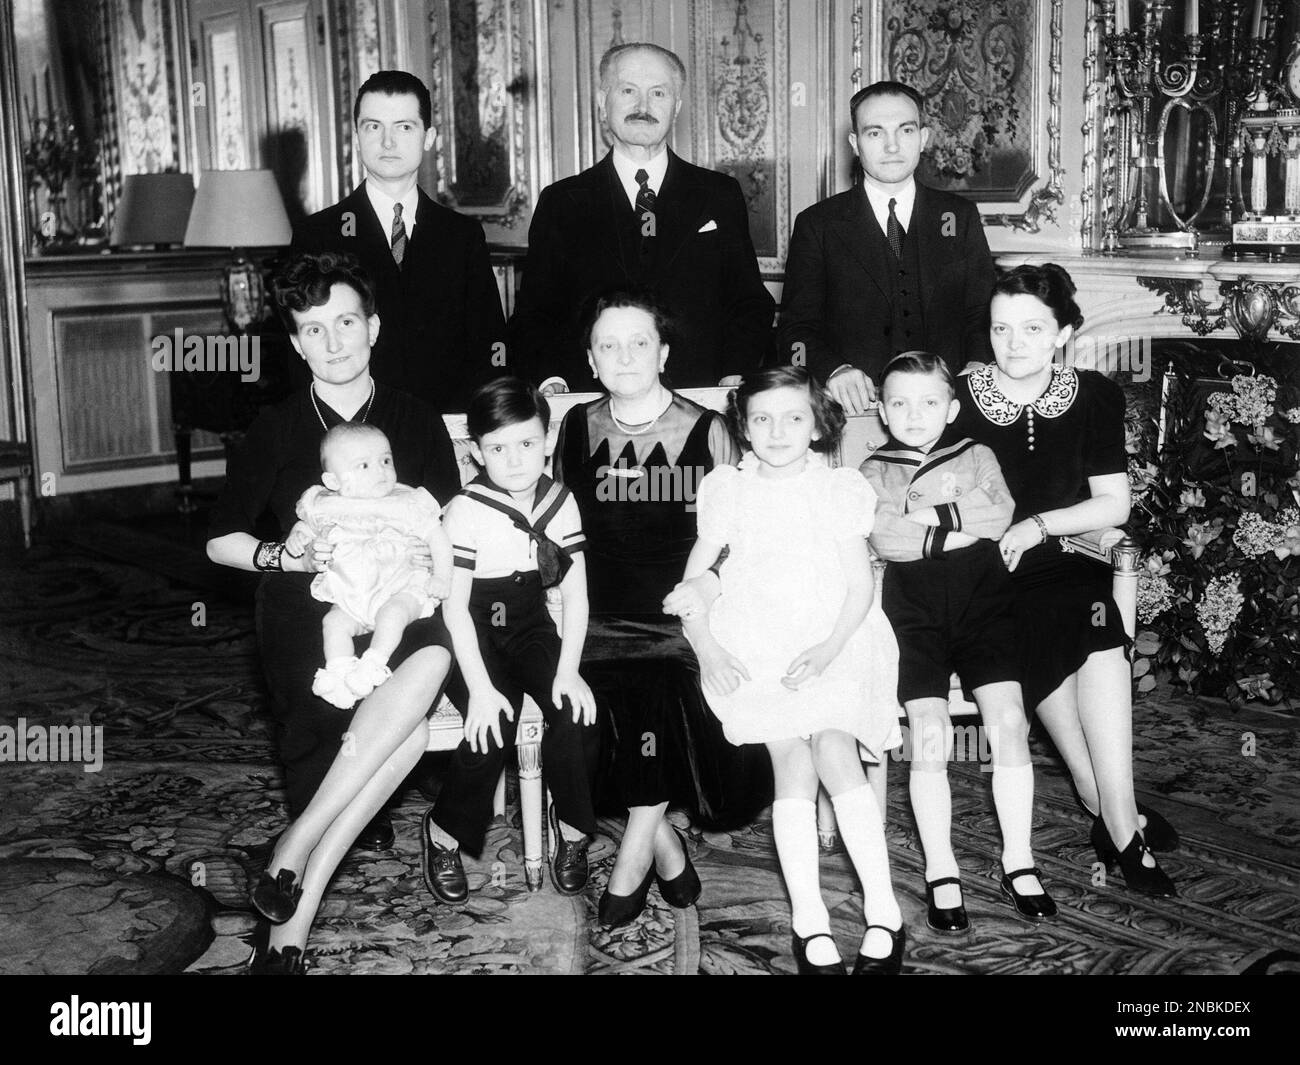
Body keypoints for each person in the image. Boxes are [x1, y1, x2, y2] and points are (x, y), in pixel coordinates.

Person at [206, 251, 459, 972]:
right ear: (295, 342)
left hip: (408, 601)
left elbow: (448, 525)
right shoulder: (277, 425)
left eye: (347, 321)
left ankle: (294, 859)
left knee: (432, 657)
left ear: (372, 326)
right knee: (390, 730)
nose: (335, 341)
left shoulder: (414, 418)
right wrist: (280, 557)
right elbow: (221, 539)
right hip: (308, 601)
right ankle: (294, 912)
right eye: (314, 330)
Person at [951, 262, 1178, 898]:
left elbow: (1113, 503)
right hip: (986, 568)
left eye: (1030, 329)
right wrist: (996, 533)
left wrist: (1041, 525)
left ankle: (1111, 807)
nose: (1012, 343)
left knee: (1095, 621)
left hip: (1063, 556)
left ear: (1063, 334)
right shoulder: (960, 400)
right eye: (999, 330)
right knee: (1060, 623)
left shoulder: (1094, 396)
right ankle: (1112, 811)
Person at [551, 289, 770, 929]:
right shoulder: (575, 426)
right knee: (585, 711)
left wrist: (708, 585)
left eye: (639, 342)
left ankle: (635, 849)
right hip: (594, 616)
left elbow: (743, 534)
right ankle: (664, 850)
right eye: (608, 345)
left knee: (665, 693)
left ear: (664, 352)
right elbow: (561, 529)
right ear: (591, 360)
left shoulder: (710, 429)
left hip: (683, 612)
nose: (624, 355)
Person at [679, 366, 904, 975]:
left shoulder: (836, 488)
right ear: (744, 429)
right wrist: (710, 649)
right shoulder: (727, 487)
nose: (778, 431)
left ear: (817, 425)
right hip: (755, 641)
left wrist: (829, 649)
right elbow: (695, 583)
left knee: (834, 747)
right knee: (791, 760)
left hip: (839, 636)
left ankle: (884, 909)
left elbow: (860, 587)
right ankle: (811, 921)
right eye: (762, 419)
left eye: (794, 417)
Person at [861, 351, 1056, 933]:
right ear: (881, 410)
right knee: (928, 733)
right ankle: (940, 867)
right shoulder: (871, 471)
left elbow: (997, 513)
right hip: (913, 612)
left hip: (984, 605)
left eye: (928, 403)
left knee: (1009, 723)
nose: (913, 414)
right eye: (899, 403)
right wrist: (952, 526)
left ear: (951, 409)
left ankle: (1018, 859)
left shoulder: (976, 454)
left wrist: (922, 514)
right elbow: (882, 533)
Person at [422, 378, 601, 903]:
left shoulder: (560, 502)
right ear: (477, 452)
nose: (516, 460)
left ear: (546, 439)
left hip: (529, 626)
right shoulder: (466, 509)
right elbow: (454, 608)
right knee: (492, 725)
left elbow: (577, 597)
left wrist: (568, 669)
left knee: (577, 711)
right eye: (498, 448)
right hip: (470, 632)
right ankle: (443, 831)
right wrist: (479, 688)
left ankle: (569, 827)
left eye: (527, 443)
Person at [509, 42, 775, 391]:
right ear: (603, 102)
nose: (643, 106)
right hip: (592, 401)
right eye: (628, 90)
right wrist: (552, 379)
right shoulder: (562, 201)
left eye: (659, 93)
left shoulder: (719, 195)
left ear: (676, 107)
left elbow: (749, 302)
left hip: (697, 397)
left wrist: (732, 375)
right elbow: (535, 313)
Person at [292, 70, 506, 414]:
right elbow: (302, 352)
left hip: (449, 426)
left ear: (428, 137)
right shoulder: (317, 234)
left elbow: (489, 345)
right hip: (354, 428)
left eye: (404, 127)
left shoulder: (462, 235)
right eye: (373, 127)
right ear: (357, 138)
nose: (388, 142)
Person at [777, 80, 995, 416]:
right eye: (875, 133)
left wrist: (978, 365)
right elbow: (795, 332)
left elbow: (981, 314)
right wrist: (834, 370)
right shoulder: (817, 224)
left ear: (923, 138)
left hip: (949, 410)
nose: (892, 146)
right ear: (855, 143)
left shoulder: (958, 216)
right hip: (857, 413)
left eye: (905, 130)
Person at [286, 423, 454, 709]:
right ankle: (339, 673)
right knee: (333, 622)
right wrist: (296, 538)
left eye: (386, 460)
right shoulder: (325, 504)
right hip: (352, 595)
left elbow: (440, 540)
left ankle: (373, 664)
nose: (381, 470)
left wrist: (442, 576)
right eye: (364, 465)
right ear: (333, 481)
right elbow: (305, 526)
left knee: (393, 614)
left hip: (401, 588)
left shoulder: (407, 502)